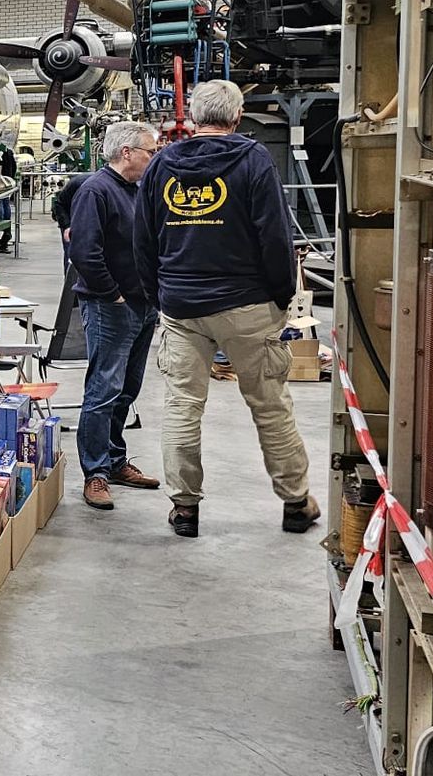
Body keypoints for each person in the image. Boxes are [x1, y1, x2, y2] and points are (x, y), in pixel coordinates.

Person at [134, 79, 317, 539]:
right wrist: (281, 296)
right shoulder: (254, 160)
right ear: (237, 117)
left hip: (182, 306)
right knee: (270, 405)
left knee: (182, 405)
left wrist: (161, 296)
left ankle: (184, 509)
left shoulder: (161, 165)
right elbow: (275, 236)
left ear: (194, 117)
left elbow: (144, 240)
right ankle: (296, 503)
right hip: (248, 304)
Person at [67, 122, 162, 510]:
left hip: (143, 306)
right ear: (127, 152)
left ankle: (115, 460)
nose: (153, 158)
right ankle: (95, 473)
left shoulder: (138, 191)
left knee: (127, 389)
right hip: (111, 308)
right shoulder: (96, 191)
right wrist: (114, 295)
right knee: (102, 390)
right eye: (150, 152)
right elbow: (83, 252)